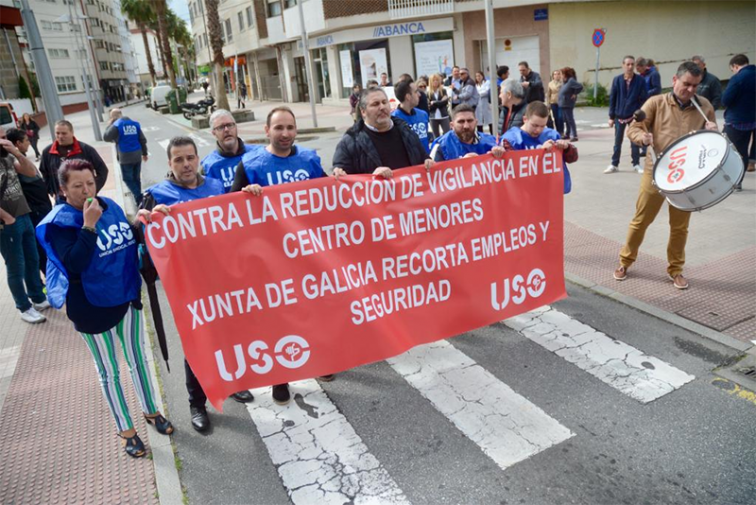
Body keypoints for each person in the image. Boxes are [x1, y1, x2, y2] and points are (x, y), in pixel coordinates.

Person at [35, 158, 173, 458]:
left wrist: (144, 219)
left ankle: (151, 410)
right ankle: (126, 430)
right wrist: (88, 226)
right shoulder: (59, 223)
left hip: (125, 296)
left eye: (90, 183)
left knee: (139, 359)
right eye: (77, 186)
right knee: (109, 371)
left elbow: (127, 238)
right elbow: (73, 264)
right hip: (91, 308)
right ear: (62, 189)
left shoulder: (107, 204)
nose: (86, 191)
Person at [137, 137, 254, 432]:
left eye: (190, 157)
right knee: (197, 343)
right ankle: (196, 403)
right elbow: (140, 236)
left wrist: (248, 195)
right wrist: (147, 221)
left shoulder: (215, 186)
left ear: (198, 159)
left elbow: (235, 222)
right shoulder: (156, 194)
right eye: (179, 159)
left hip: (222, 277)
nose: (186, 164)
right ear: (170, 164)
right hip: (187, 284)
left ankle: (233, 382)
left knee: (230, 335)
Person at [232, 107, 333, 405]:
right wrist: (244, 196)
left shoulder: (309, 160)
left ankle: (320, 361)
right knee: (277, 318)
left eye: (290, 127)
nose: (285, 133)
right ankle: (280, 377)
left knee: (314, 309)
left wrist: (338, 179)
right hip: (269, 258)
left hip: (306, 252)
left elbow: (330, 197)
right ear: (267, 131)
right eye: (279, 128)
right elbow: (229, 213)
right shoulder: (250, 165)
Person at [616, 61, 717, 290]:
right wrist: (642, 137)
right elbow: (633, 128)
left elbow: (711, 146)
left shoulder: (705, 107)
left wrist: (714, 134)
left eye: (695, 86)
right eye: (686, 84)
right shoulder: (655, 103)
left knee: (680, 227)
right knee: (641, 220)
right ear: (674, 80)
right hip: (656, 172)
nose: (691, 90)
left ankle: (676, 269)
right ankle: (625, 261)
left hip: (686, 178)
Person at [0, 126, 49, 323]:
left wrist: (16, 151)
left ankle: (37, 297)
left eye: (4, 137)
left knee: (33, 258)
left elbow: (31, 172)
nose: (4, 140)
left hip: (24, 214)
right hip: (6, 223)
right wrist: (6, 217)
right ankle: (24, 307)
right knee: (15, 266)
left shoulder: (8, 157)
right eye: (1, 137)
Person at [332, 87, 432, 176]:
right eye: (375, 104)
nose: (382, 107)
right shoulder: (350, 141)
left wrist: (428, 162)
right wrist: (371, 177)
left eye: (384, 102)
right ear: (363, 112)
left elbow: (423, 157)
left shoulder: (406, 131)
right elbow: (343, 181)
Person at [501, 101, 577, 194]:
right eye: (534, 125)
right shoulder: (512, 138)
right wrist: (540, 152)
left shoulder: (551, 135)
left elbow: (572, 158)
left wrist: (566, 148)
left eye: (542, 126)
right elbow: (511, 168)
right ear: (525, 119)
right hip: (524, 192)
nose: (538, 130)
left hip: (549, 190)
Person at [5, 128, 52, 275]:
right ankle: (45, 278)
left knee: (43, 247)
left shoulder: (19, 159)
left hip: (41, 209)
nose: (29, 143)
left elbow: (34, 174)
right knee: (39, 250)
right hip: (33, 212)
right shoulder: (11, 162)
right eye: (26, 140)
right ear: (18, 143)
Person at [39, 120, 109, 204]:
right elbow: (44, 173)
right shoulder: (47, 152)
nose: (60, 136)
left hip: (85, 198)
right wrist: (52, 191)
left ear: (72, 132)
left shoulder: (86, 149)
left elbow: (103, 171)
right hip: (61, 199)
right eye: (57, 133)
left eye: (64, 133)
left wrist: (92, 190)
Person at [605, 56, 648, 174]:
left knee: (634, 141)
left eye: (632, 64)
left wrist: (639, 113)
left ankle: (636, 164)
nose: (630, 67)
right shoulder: (617, 80)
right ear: (623, 65)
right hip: (619, 116)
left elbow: (644, 98)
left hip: (634, 116)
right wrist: (611, 117)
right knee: (617, 141)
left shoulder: (640, 80)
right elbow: (612, 98)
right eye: (627, 64)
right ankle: (614, 164)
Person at [201, 109, 260, 193]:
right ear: (213, 132)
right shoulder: (208, 166)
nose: (226, 130)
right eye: (221, 127)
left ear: (236, 127)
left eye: (229, 125)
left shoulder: (257, 154)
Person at [721, 54, 755, 192]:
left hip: (737, 120)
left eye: (732, 69)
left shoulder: (738, 78)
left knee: (732, 151)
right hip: (753, 120)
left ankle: (733, 181)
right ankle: (739, 181)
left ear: (735, 66)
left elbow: (726, 100)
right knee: (744, 152)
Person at [103, 109, 148, 205]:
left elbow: (106, 137)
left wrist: (110, 124)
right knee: (136, 178)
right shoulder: (135, 124)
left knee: (127, 179)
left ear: (113, 117)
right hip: (137, 155)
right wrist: (144, 153)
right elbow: (142, 140)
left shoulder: (117, 125)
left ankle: (139, 197)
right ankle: (139, 200)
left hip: (125, 156)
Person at [430, 104, 505, 161]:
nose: (466, 126)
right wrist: (461, 164)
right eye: (461, 122)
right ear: (452, 125)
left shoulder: (492, 141)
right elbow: (432, 176)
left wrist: (503, 154)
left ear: (476, 122)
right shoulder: (440, 146)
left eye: (470, 121)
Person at [391, 79, 430, 154]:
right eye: (416, 92)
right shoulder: (393, 119)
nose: (419, 94)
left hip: (426, 162)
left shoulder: (423, 114)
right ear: (408, 97)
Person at [558, 67, 583, 142]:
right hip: (563, 103)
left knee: (570, 119)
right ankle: (567, 134)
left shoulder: (571, 81)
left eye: (561, 74)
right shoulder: (566, 81)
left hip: (567, 103)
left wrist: (575, 93)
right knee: (566, 119)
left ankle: (574, 135)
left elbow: (580, 86)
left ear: (565, 74)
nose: (560, 75)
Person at [428, 73, 451, 139]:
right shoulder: (428, 93)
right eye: (433, 80)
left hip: (444, 116)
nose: (435, 82)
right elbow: (429, 106)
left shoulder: (443, 90)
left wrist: (434, 102)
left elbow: (445, 102)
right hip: (433, 117)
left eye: (437, 80)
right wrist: (440, 102)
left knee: (447, 135)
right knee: (436, 136)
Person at [545, 70, 564, 136]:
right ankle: (557, 132)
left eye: (558, 74)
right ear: (553, 76)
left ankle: (561, 131)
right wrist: (548, 104)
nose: (557, 75)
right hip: (553, 102)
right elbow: (548, 94)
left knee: (560, 117)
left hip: (561, 102)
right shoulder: (550, 83)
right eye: (555, 74)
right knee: (556, 117)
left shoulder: (563, 83)